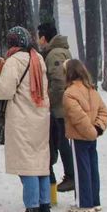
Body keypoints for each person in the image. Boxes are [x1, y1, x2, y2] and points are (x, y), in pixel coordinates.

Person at [0, 26, 50, 212]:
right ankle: (44, 206)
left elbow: (6, 91)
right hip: (40, 115)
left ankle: (32, 208)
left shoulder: (14, 61)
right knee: (40, 161)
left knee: (26, 164)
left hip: (22, 118)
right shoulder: (38, 58)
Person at [62, 60, 107, 212]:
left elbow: (78, 118)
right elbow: (104, 112)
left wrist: (90, 131)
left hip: (79, 138)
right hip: (92, 137)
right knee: (92, 168)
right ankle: (94, 200)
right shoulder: (92, 90)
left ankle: (84, 202)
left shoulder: (69, 93)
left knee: (81, 169)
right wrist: (97, 128)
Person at [37, 22, 75, 193]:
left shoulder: (54, 54)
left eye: (39, 37)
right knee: (61, 141)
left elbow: (58, 82)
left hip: (59, 107)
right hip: (62, 104)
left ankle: (71, 175)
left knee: (61, 142)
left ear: (44, 37)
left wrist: (48, 101)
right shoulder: (59, 51)